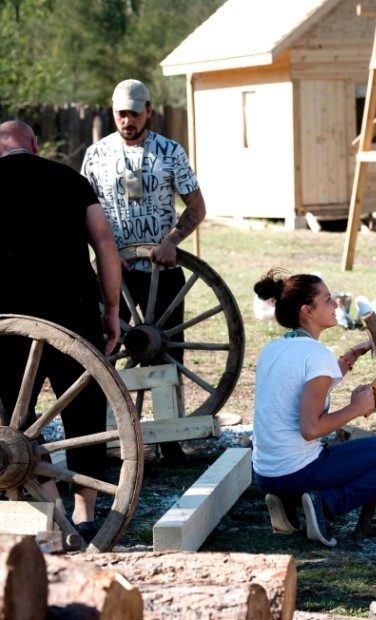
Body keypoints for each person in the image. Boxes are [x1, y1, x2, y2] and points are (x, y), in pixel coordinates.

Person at [0, 120, 122, 541]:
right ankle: (85, 512)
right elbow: (104, 241)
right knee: (85, 411)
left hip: (9, 321)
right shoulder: (71, 178)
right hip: (73, 310)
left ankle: (47, 503)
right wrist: (112, 309)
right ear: (35, 145)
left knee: (15, 413)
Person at [81, 79, 207, 464]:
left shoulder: (170, 152)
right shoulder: (96, 156)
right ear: (113, 111)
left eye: (135, 113)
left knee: (168, 356)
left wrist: (171, 241)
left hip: (162, 272)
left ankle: (169, 440)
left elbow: (197, 208)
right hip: (114, 274)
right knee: (106, 352)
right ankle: (111, 437)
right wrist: (105, 252)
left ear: (149, 110)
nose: (128, 121)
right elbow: (81, 214)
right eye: (121, 113)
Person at [252, 269, 376, 547]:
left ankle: (287, 502)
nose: (336, 306)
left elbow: (303, 386)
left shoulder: (273, 349)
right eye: (328, 300)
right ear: (307, 310)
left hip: (265, 474)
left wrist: (350, 357)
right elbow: (310, 429)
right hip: (297, 471)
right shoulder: (316, 355)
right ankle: (327, 505)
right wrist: (355, 408)